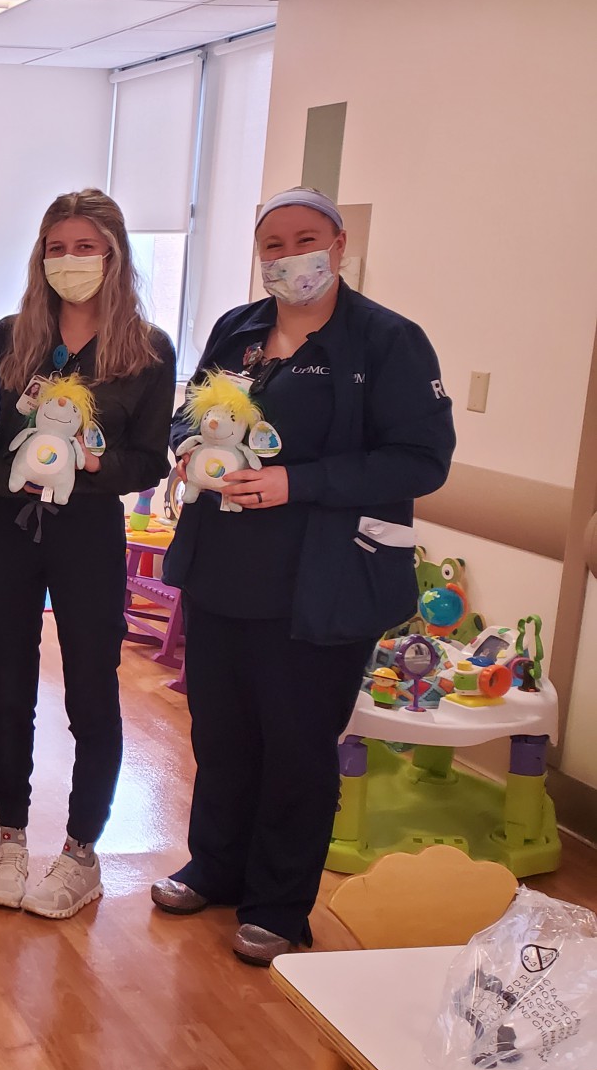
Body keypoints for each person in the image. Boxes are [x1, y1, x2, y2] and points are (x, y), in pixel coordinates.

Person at [151, 186, 454, 965]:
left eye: (305, 239)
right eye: (273, 245)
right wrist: (188, 451)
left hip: (322, 582)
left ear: (341, 244)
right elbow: (195, 410)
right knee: (221, 734)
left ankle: (281, 904)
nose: (289, 257)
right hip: (225, 570)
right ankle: (214, 866)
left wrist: (298, 482)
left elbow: (422, 459)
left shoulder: (385, 342)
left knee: (297, 744)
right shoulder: (239, 329)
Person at [0, 189, 175, 920]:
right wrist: (7, 475)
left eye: (86, 247)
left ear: (114, 256)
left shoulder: (145, 351)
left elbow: (148, 461)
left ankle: (82, 853)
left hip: (87, 535)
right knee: (7, 688)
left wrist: (84, 468)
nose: (70, 261)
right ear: (39, 256)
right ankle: (11, 836)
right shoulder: (9, 337)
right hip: (5, 529)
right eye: (57, 247)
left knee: (91, 691)